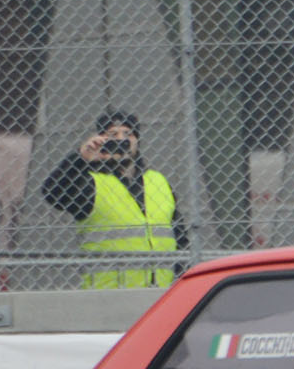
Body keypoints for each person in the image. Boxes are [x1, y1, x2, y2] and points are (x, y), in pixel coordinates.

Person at [44, 109, 188, 288]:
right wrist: (80, 158)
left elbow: (180, 237)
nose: (121, 140)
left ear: (137, 141)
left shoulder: (158, 181)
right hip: (107, 293)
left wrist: (181, 281)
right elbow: (52, 192)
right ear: (102, 141)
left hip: (161, 290)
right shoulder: (91, 183)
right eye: (113, 135)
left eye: (128, 134)